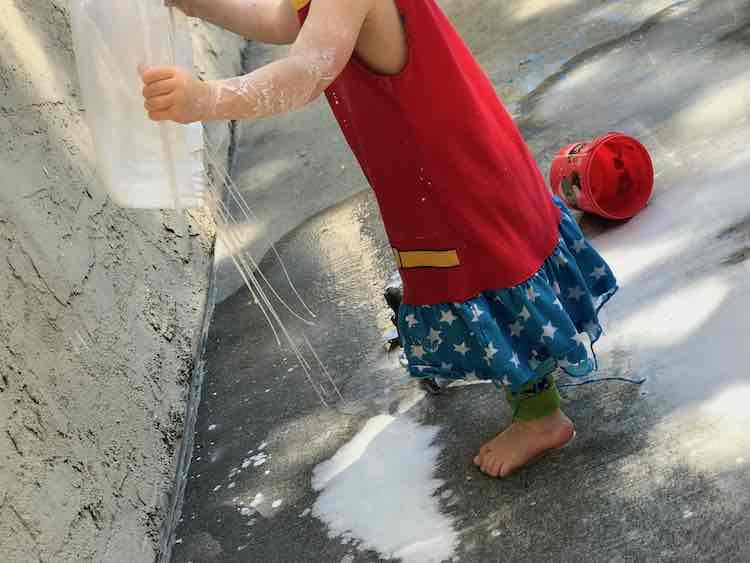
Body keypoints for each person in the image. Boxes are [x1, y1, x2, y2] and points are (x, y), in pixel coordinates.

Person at [143, 0, 618, 478]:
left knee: (490, 274)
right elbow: (286, 21)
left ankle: (540, 418)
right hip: (439, 168)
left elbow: (305, 75)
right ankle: (525, 392)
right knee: (485, 268)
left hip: (451, 178)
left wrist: (205, 100)